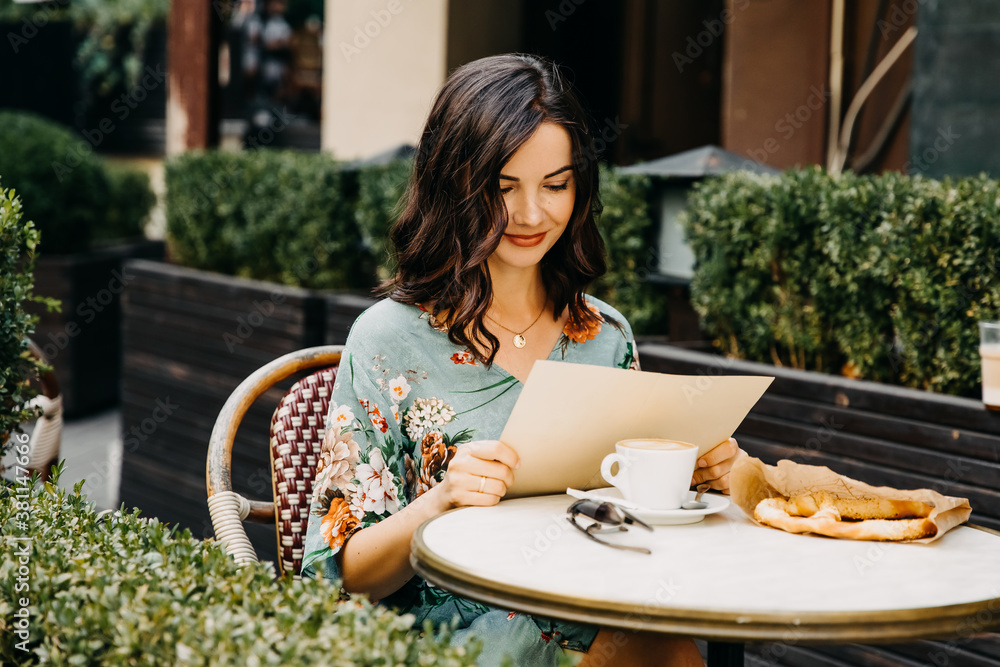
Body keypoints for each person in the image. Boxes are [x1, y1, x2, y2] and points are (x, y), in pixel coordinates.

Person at [302, 53, 744, 667]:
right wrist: (439, 502)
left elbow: (633, 525)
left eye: (555, 185)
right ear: (452, 184)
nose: (532, 215)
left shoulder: (604, 334)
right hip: (449, 639)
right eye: (501, 187)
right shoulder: (386, 340)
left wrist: (696, 478)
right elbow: (339, 577)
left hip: (593, 612)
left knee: (673, 653)